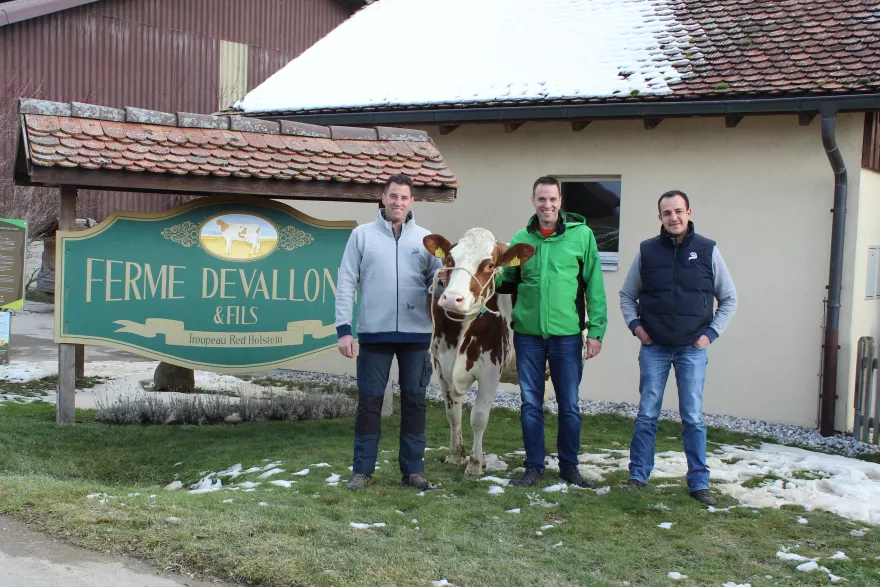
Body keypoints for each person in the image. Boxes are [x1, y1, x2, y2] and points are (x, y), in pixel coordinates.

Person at [619, 190, 737, 506]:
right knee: (646, 413)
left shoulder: (707, 250)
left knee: (693, 417)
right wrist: (637, 328)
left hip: (692, 349)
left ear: (689, 212)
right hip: (654, 347)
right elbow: (627, 295)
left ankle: (699, 483)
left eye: (678, 211)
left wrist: (709, 334)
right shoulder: (647, 252)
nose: (673, 217)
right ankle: (638, 476)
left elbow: (729, 298)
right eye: (667, 212)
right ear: (660, 217)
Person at [497, 176, 608, 489]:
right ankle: (533, 467)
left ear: (561, 202)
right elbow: (507, 282)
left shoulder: (582, 236)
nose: (547, 205)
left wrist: (596, 329)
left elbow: (595, 285)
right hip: (529, 336)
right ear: (533, 201)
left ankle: (569, 468)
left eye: (552, 199)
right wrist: (476, 280)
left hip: (567, 336)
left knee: (569, 405)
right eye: (541, 199)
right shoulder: (522, 238)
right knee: (531, 404)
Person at [335, 173, 442, 491]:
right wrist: (344, 330)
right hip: (374, 332)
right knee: (369, 403)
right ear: (383, 198)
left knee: (415, 402)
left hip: (416, 335)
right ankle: (362, 471)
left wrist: (448, 276)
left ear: (412, 202)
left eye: (404, 197)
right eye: (393, 196)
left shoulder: (426, 239)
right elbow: (346, 282)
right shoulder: (361, 235)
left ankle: (413, 471)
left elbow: (438, 282)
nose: (398, 202)